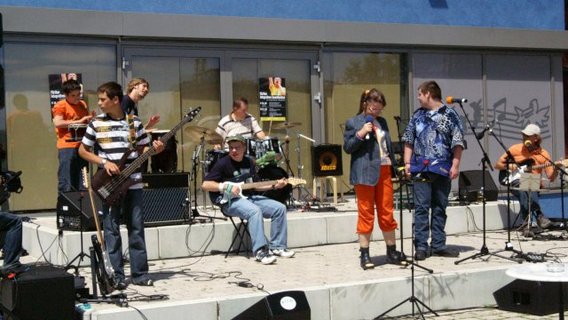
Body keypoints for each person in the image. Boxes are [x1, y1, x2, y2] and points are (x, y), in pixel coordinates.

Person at [79, 81, 164, 289]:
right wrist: (103, 162)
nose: (99, 103)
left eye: (102, 99)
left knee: (136, 228)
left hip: (133, 184)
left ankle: (140, 274)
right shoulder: (96, 124)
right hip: (111, 185)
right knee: (111, 229)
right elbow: (82, 150)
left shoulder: (134, 123)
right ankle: (116, 275)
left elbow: (143, 151)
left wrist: (156, 150)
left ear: (115, 100)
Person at [202, 135, 294, 265]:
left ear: (244, 148)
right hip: (228, 201)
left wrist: (275, 186)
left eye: (237, 148)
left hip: (248, 197)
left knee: (279, 208)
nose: (234, 151)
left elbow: (255, 186)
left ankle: (278, 247)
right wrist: (224, 186)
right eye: (231, 148)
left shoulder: (249, 162)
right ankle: (260, 252)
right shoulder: (222, 163)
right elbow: (205, 185)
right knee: (254, 211)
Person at [402, 80, 465, 261]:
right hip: (420, 168)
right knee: (421, 208)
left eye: (420, 94)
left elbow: (458, 143)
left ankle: (438, 245)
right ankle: (421, 245)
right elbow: (408, 140)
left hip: (443, 168)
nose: (418, 98)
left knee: (440, 206)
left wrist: (455, 165)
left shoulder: (451, 115)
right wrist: (407, 164)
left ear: (428, 94)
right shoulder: (417, 116)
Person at [343, 88, 404, 270]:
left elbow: (387, 146)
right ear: (365, 104)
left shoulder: (383, 122)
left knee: (387, 211)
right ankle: (365, 254)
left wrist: (397, 166)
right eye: (373, 109)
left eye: (379, 109)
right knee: (366, 213)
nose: (376, 112)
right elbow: (348, 147)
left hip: (384, 170)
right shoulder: (353, 122)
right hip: (364, 173)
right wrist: (361, 133)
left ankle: (391, 251)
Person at [494, 123, 554, 234]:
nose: (524, 137)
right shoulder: (515, 149)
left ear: (536, 138)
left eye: (527, 136)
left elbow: (551, 177)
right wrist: (510, 166)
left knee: (526, 187)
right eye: (524, 135)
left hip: (533, 184)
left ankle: (526, 225)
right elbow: (497, 165)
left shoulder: (544, 154)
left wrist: (557, 168)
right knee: (527, 183)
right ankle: (539, 215)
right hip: (512, 179)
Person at [52, 79, 95, 193]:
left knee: (83, 178)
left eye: (78, 94)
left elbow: (84, 121)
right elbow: (58, 123)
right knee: (67, 178)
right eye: (73, 95)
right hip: (67, 146)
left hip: (82, 145)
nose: (77, 98)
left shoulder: (82, 104)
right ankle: (66, 202)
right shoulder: (60, 106)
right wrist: (79, 121)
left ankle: (83, 201)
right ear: (66, 95)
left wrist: (89, 119)